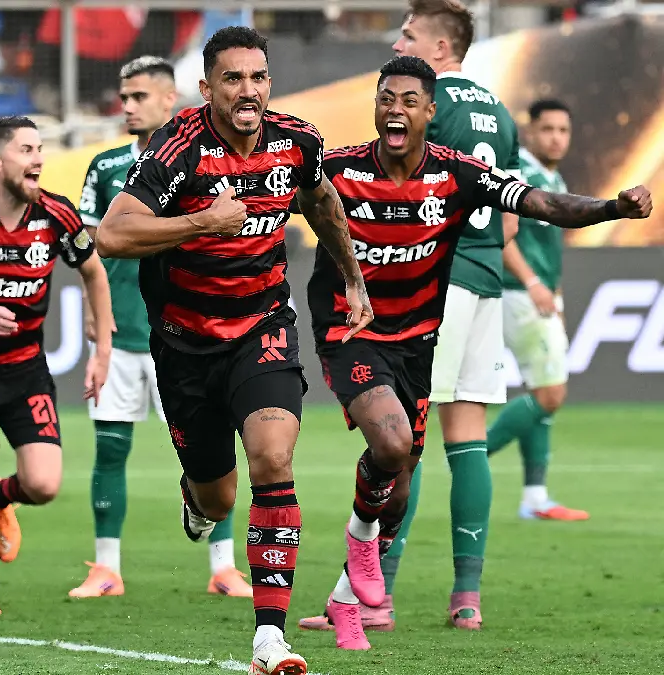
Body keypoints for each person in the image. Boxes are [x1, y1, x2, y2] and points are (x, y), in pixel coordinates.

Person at [297, 56, 652, 650]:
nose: (395, 109)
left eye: (410, 100)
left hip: (416, 344)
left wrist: (612, 208)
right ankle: (364, 555)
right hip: (351, 331)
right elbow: (264, 203)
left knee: (400, 479)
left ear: (430, 114)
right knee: (390, 444)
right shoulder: (335, 170)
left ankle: (344, 598)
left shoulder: (458, 173)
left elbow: (540, 204)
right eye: (387, 98)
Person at [96, 26, 373, 675]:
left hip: (262, 325)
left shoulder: (296, 140)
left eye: (257, 77)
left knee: (273, 458)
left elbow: (321, 200)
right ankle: (197, 499)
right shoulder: (178, 146)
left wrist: (354, 275)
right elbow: (112, 233)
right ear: (207, 88)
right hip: (185, 343)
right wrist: (202, 221)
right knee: (218, 498)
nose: (247, 91)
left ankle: (269, 636)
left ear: (269, 83)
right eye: (232, 79)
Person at [70, 55, 252, 600]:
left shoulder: (206, 159)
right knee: (111, 448)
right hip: (124, 333)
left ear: (170, 99)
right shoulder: (104, 168)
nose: (127, 106)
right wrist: (97, 337)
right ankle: (106, 568)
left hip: (191, 331)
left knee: (214, 450)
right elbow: (87, 254)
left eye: (138, 97)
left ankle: (224, 567)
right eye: (123, 98)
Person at [0, 116, 113, 617]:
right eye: (27, 150)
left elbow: (94, 273)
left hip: (25, 369)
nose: (39, 160)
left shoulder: (56, 214)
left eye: (40, 150)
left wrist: (101, 349)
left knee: (44, 486)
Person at [387, 0, 520, 628]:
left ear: (440, 48)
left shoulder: (425, 108)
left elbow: (402, 195)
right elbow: (512, 218)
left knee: (402, 444)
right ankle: (466, 598)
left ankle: (371, 593)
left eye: (409, 35)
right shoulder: (499, 111)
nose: (397, 44)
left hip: (439, 286)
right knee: (467, 439)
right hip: (487, 279)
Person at [486, 99, 588, 521]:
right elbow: (503, 237)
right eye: (548, 129)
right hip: (517, 293)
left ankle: (535, 498)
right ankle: (469, 452)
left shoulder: (555, 179)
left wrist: (555, 293)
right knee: (550, 394)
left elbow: (550, 249)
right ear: (530, 131)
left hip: (541, 295)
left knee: (539, 390)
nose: (556, 138)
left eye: (563, 131)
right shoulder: (521, 177)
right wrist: (533, 284)